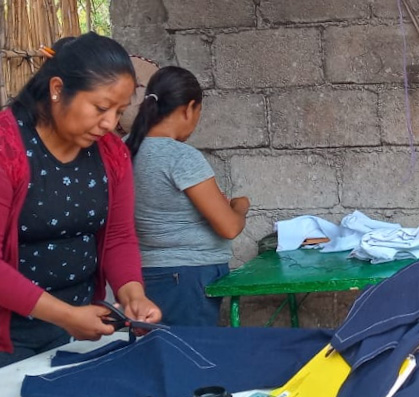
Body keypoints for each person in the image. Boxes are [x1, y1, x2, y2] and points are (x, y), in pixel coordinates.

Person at [0, 32, 162, 367]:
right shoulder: (7, 148)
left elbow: (119, 237)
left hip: (75, 330)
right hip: (9, 336)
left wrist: (133, 295)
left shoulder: (112, 154)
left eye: (119, 111)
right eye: (101, 108)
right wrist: (65, 315)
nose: (110, 123)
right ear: (57, 89)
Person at [125, 66, 249, 327]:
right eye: (198, 113)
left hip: (141, 276)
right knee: (189, 353)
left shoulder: (125, 147)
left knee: (158, 354)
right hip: (186, 278)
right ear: (189, 108)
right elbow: (229, 227)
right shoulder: (181, 157)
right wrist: (240, 207)